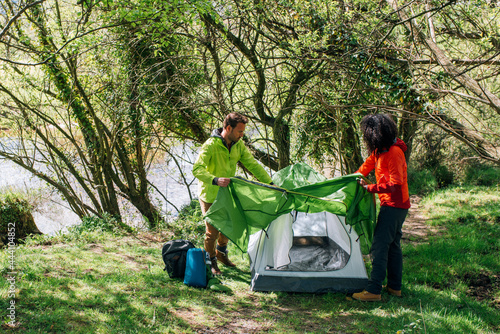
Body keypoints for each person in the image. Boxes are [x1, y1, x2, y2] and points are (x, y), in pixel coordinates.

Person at [193, 112, 273, 275]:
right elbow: (197, 169)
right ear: (228, 128)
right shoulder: (211, 145)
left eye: (243, 132)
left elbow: (253, 165)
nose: (242, 135)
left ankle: (221, 253)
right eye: (240, 131)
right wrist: (215, 179)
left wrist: (270, 183)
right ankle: (211, 262)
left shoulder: (238, 145)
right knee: (212, 231)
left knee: (229, 225)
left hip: (227, 193)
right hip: (210, 193)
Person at [352, 113, 411, 301]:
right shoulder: (379, 151)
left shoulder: (394, 152)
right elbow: (363, 169)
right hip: (392, 205)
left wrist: (371, 188)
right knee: (393, 246)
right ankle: (394, 287)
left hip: (395, 206)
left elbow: (396, 184)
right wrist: (346, 182)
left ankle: (374, 290)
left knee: (379, 246)